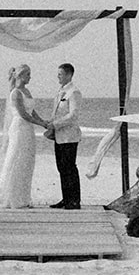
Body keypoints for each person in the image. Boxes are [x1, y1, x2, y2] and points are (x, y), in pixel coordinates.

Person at [0, 64, 47, 209]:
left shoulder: (27, 91)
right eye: (28, 74)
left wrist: (42, 121)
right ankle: (12, 198)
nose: (30, 77)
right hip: (19, 128)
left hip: (28, 129)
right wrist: (41, 124)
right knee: (16, 160)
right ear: (20, 76)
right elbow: (23, 114)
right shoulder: (15, 93)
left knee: (27, 161)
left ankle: (24, 197)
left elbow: (31, 111)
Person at [47, 62, 84, 209]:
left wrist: (56, 124)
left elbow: (73, 115)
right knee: (61, 167)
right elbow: (57, 112)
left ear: (69, 74)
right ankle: (66, 198)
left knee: (70, 167)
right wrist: (50, 123)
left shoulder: (73, 92)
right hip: (59, 136)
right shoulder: (60, 91)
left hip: (69, 136)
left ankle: (74, 200)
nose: (58, 77)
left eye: (60, 74)